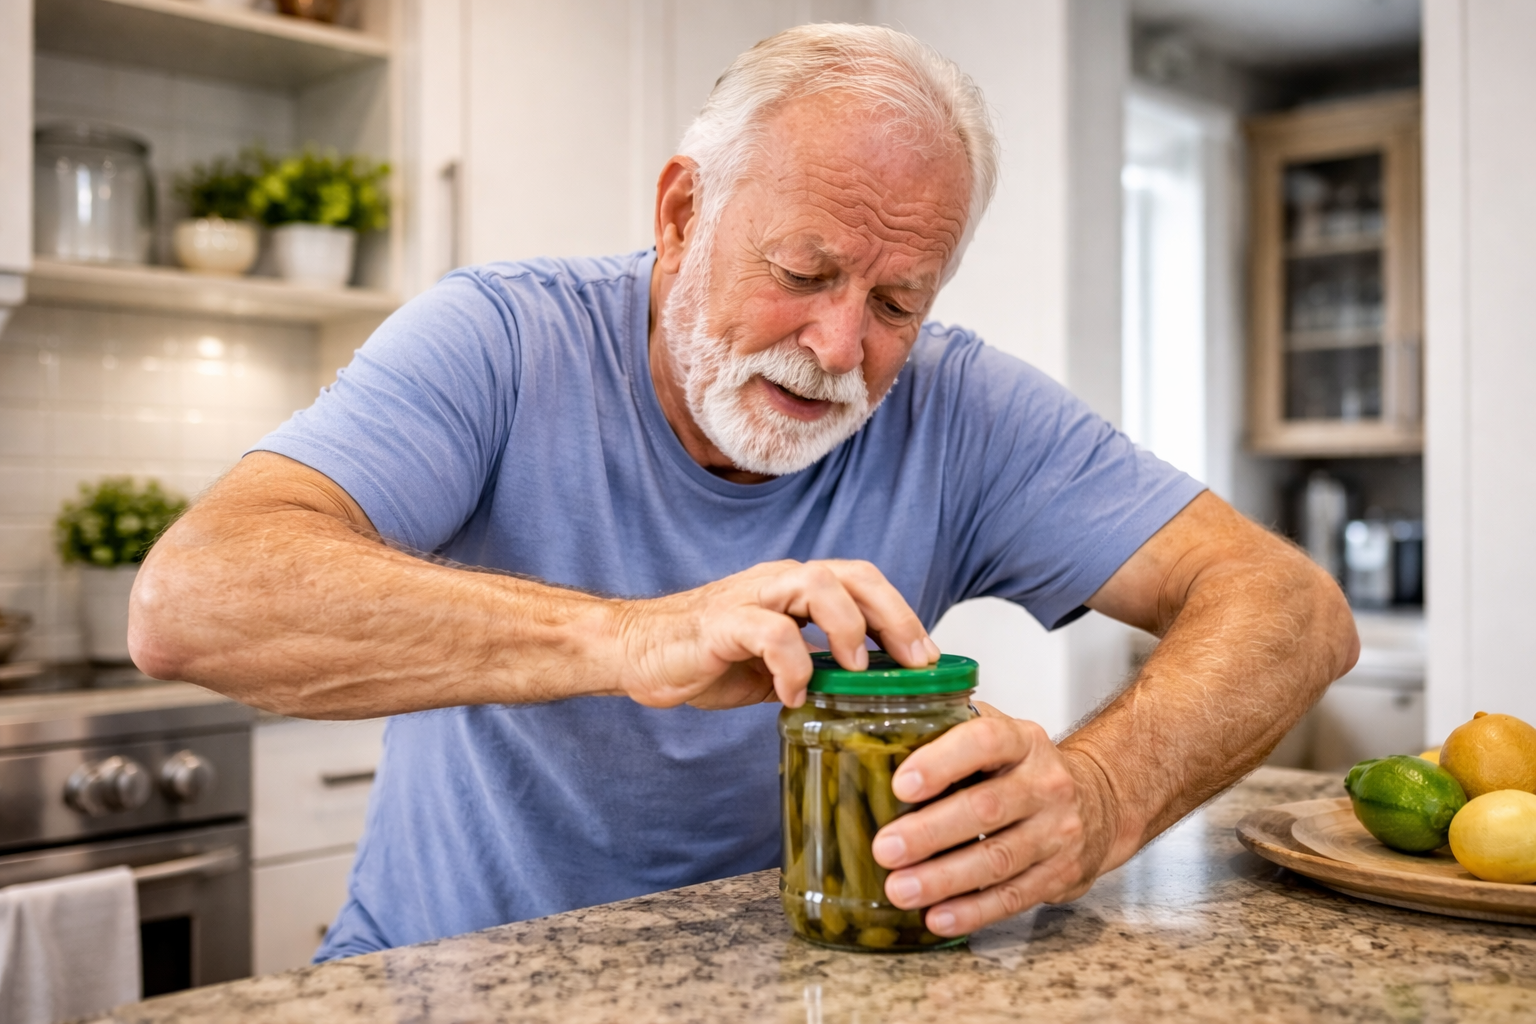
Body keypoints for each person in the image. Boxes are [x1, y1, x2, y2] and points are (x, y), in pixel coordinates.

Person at [130, 24, 1357, 960]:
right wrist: (631, 634)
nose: (836, 348)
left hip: (778, 982)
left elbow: (1292, 605)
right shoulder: (497, 341)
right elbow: (192, 598)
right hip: (438, 977)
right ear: (681, 214)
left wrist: (1101, 794)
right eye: (802, 270)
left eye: (894, 304)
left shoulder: (965, 406)